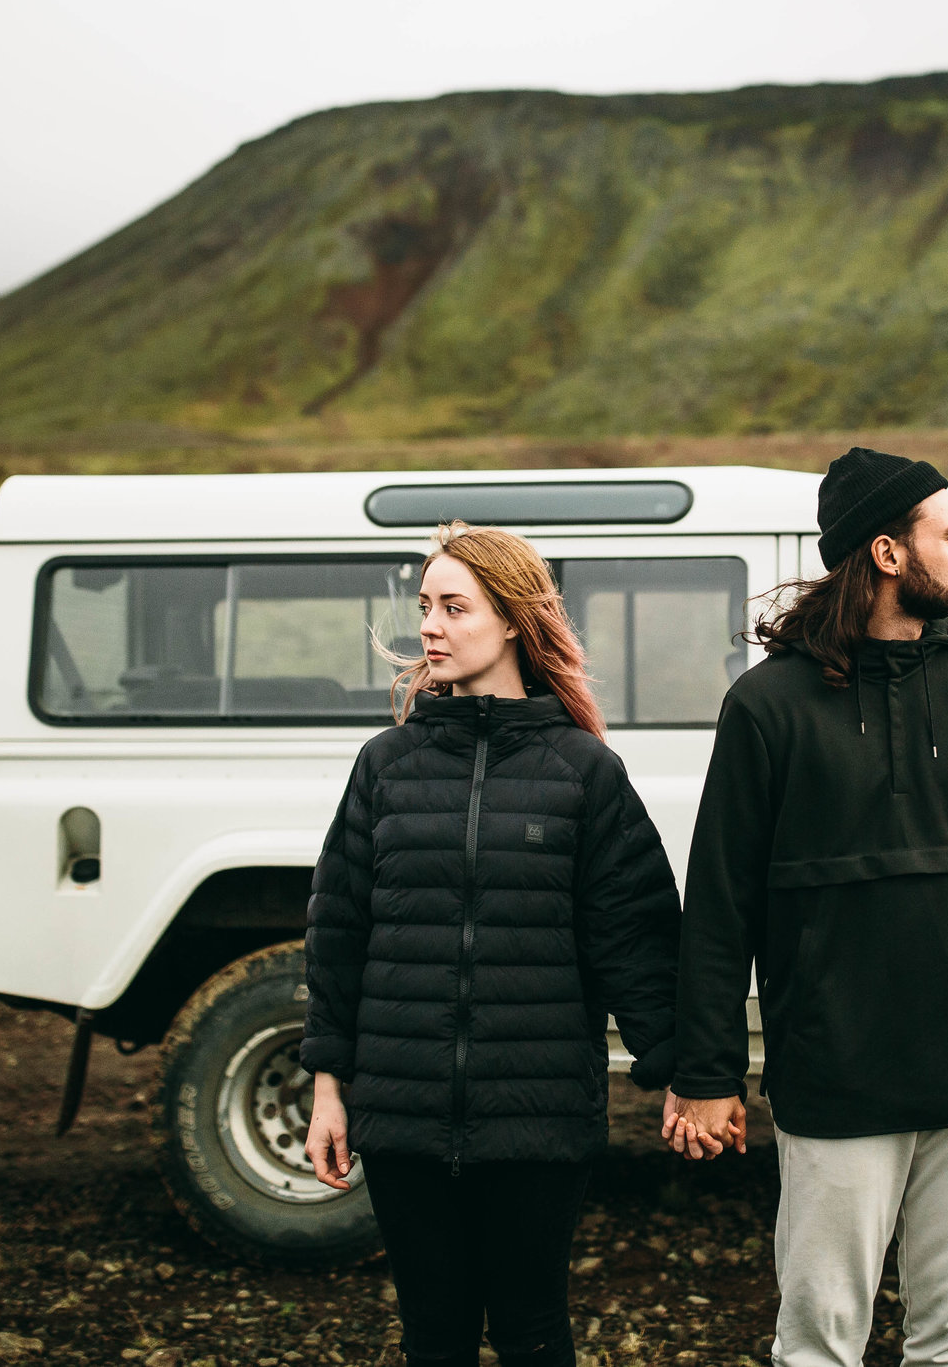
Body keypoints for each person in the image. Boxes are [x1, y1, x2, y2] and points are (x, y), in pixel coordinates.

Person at [665, 447, 948, 1367]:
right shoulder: (768, 706)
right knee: (819, 1343)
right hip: (835, 1077)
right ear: (889, 552)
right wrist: (707, 1073)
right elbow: (720, 905)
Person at [300, 523, 681, 1367]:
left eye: (453, 606)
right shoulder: (385, 766)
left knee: (531, 1330)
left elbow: (638, 936)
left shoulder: (583, 771)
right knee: (433, 1335)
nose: (429, 626)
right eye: (425, 606)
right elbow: (338, 933)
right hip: (402, 1115)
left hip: (537, 1116)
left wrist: (685, 1077)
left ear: (512, 618)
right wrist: (332, 1085)